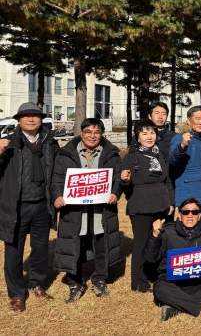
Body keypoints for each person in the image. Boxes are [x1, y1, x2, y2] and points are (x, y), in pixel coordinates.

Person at [52, 118, 123, 302]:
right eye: (88, 132)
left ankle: (99, 278)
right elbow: (57, 179)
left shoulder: (111, 154)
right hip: (75, 210)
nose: (92, 136)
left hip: (101, 209)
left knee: (101, 244)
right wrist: (57, 196)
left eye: (97, 132)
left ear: (102, 134)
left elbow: (117, 179)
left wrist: (115, 193)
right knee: (75, 244)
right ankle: (75, 281)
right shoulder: (65, 154)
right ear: (81, 133)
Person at [0, 102, 58, 311]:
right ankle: (16, 293)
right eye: (26, 116)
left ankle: (37, 283)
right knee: (14, 251)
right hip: (16, 206)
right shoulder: (9, 143)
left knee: (40, 248)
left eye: (35, 115)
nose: (31, 119)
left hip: (43, 204)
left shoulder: (50, 142)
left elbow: (59, 170)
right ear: (18, 120)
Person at [143, 197, 201, 321]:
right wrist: (154, 236)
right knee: (160, 289)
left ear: (199, 216)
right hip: (173, 283)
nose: (190, 215)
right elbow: (150, 257)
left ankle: (177, 306)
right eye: (185, 212)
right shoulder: (166, 231)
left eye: (194, 212)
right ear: (179, 215)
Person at [121, 119, 174, 292]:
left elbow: (167, 180)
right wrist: (125, 180)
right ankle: (139, 283)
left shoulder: (160, 155)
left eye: (152, 132)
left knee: (157, 242)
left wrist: (171, 202)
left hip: (161, 203)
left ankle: (154, 275)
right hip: (141, 204)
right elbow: (126, 187)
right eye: (144, 133)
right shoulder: (131, 156)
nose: (149, 136)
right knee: (141, 243)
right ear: (137, 137)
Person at [169, 106, 201, 222]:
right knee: (189, 234)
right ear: (188, 120)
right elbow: (173, 160)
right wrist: (182, 146)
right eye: (197, 118)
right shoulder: (180, 138)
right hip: (189, 197)